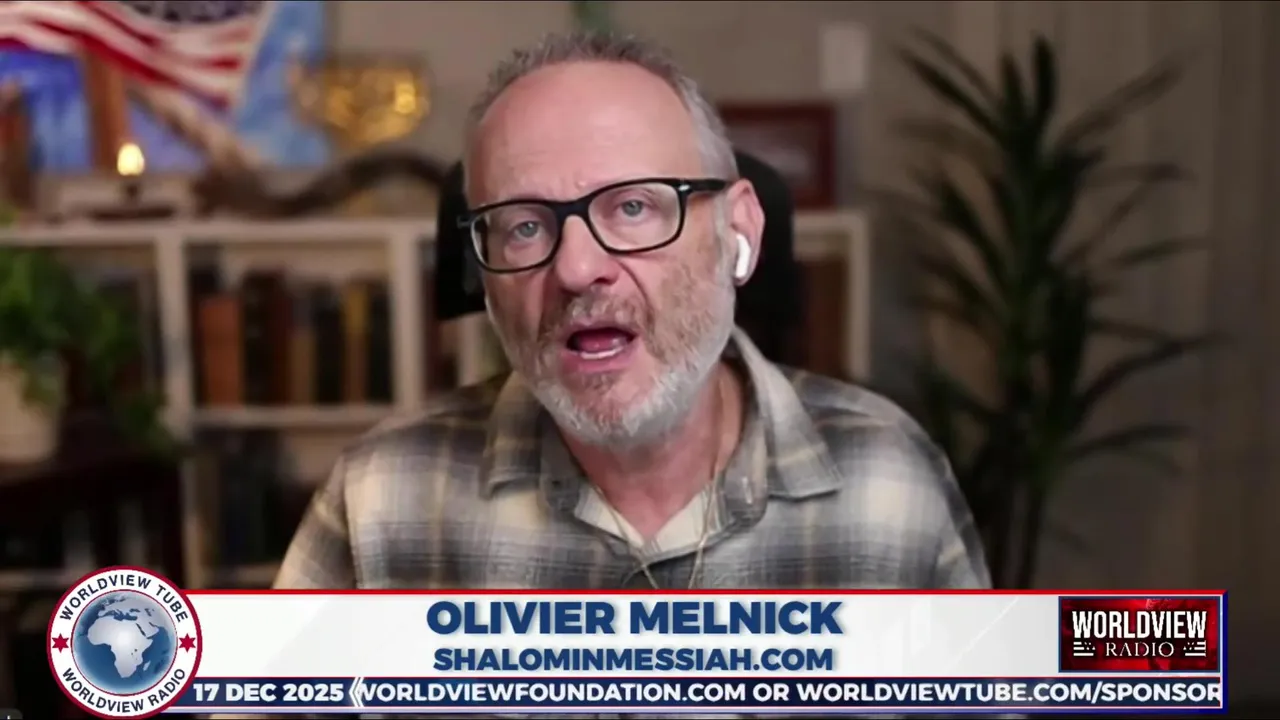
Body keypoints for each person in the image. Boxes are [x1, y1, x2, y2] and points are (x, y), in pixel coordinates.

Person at [275, 31, 990, 591]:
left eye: (634, 207)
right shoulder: (380, 498)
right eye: (524, 226)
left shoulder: (888, 481)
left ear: (738, 228)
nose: (576, 268)